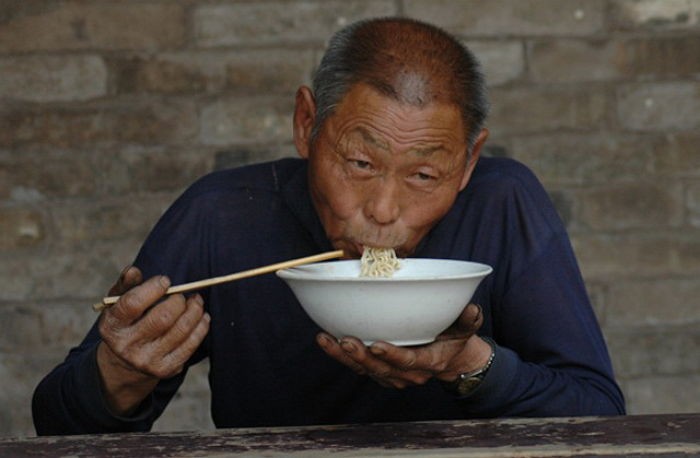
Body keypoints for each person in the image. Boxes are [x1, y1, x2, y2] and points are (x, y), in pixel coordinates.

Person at [32, 17, 625, 435]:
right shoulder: (223, 215)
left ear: (468, 162)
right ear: (307, 124)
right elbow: (57, 425)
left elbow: (600, 415)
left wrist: (468, 363)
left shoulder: (503, 202)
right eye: (361, 163)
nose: (385, 210)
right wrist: (119, 372)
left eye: (423, 175)